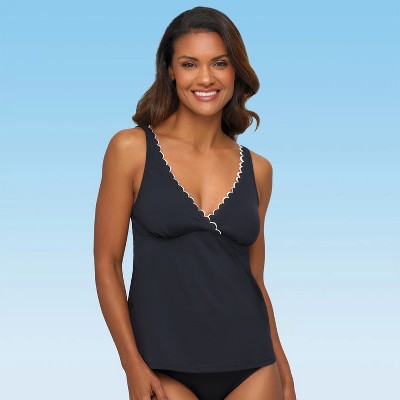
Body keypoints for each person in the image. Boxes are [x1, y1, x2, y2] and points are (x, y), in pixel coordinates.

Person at [94, 6, 296, 400]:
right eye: (190, 64)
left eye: (219, 63)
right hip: (162, 366)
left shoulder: (259, 170)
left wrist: (284, 372)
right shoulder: (131, 149)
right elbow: (106, 263)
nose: (206, 78)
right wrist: (132, 365)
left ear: (236, 71)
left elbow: (254, 280)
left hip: (254, 365)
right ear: (170, 70)